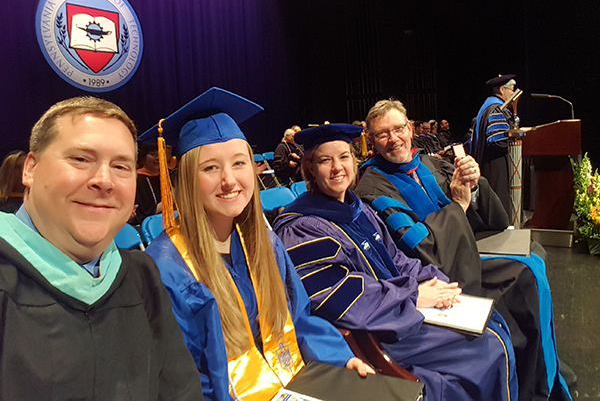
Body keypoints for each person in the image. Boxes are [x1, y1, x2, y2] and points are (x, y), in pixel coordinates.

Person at [139, 88, 373, 401]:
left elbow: (299, 318)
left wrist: (340, 358)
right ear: (185, 178)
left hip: (299, 386)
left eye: (239, 163)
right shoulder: (167, 270)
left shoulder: (264, 243)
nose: (229, 180)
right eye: (210, 168)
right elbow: (181, 381)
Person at [274, 123, 517, 401]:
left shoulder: (359, 209)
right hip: (375, 329)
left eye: (343, 157)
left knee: (494, 322)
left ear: (354, 161)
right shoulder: (302, 228)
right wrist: (413, 296)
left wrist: (434, 281)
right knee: (488, 346)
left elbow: (397, 259)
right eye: (325, 160)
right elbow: (342, 295)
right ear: (311, 168)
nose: (337, 167)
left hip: (399, 310)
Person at [354, 99, 570, 401]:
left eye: (399, 129)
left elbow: (485, 214)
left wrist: (474, 183)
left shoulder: (427, 163)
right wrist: (459, 205)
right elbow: (422, 249)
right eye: (382, 134)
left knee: (535, 255)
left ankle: (545, 368)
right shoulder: (374, 189)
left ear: (410, 128)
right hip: (443, 268)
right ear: (371, 141)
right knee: (525, 277)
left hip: (469, 246)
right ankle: (533, 387)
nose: (394, 139)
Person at [0, 97, 203, 400]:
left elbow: (180, 391)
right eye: (81, 159)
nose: (104, 180)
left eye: (121, 166)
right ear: (30, 169)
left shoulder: (141, 275)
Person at [472, 74, 516, 216]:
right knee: (498, 202)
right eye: (512, 89)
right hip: (496, 164)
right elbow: (497, 141)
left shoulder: (489, 105)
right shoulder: (496, 108)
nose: (513, 93)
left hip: (490, 162)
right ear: (502, 89)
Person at [129, 143, 163, 225]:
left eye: (160, 153)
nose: (158, 158)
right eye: (152, 154)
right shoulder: (138, 180)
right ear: (143, 158)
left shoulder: (166, 178)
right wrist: (167, 202)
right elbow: (142, 213)